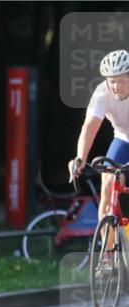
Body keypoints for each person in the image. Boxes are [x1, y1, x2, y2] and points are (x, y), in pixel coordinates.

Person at [69, 48, 129, 227]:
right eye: (112, 81)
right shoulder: (102, 92)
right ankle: (108, 251)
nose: (116, 86)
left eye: (121, 81)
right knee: (108, 180)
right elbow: (89, 126)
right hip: (124, 139)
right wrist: (80, 158)